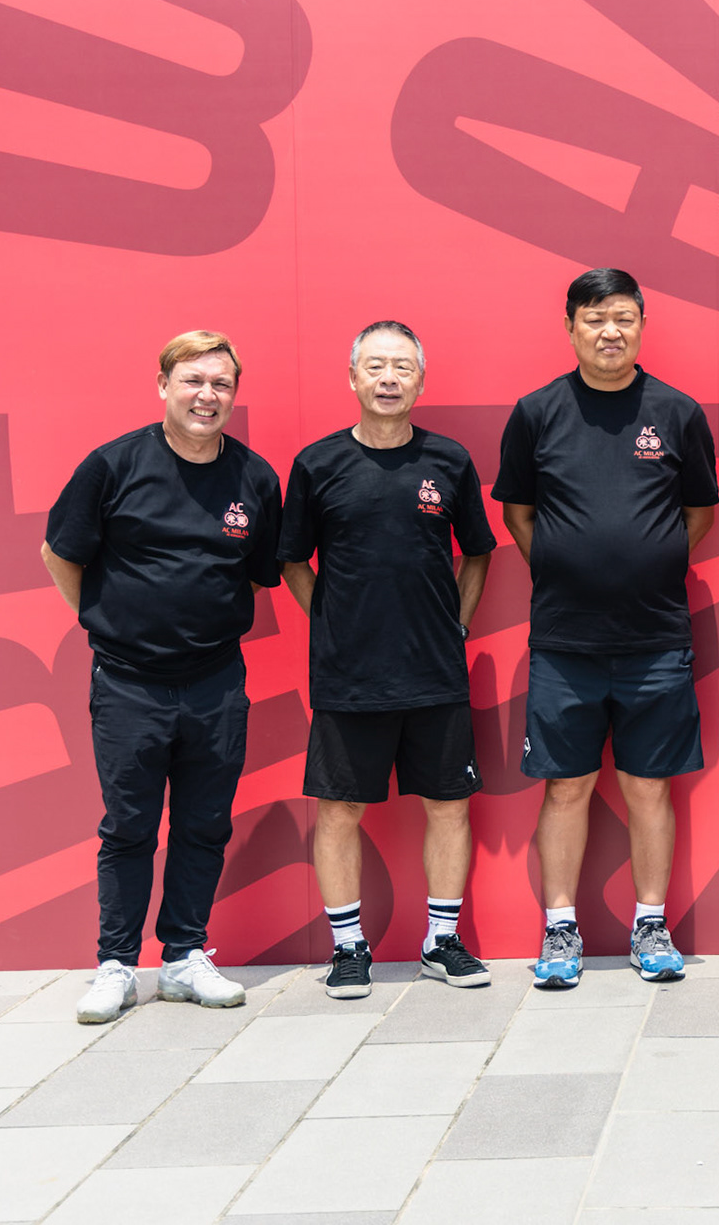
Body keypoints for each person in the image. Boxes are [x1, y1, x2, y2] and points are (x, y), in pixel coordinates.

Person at [43, 331, 281, 1024]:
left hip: (215, 682)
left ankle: (184, 958)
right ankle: (114, 965)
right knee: (129, 826)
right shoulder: (113, 466)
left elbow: (261, 571)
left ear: (233, 396)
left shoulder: (254, 478)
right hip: (128, 682)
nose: (207, 396)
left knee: (205, 824)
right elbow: (59, 554)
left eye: (221, 385)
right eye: (193, 381)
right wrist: (105, 620)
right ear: (163, 386)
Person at [493, 268, 719, 987]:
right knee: (566, 788)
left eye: (623, 317)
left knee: (651, 788)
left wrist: (642, 562)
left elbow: (698, 514)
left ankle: (650, 922)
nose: (610, 331)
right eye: (595, 318)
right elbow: (519, 515)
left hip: (656, 638)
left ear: (642, 324)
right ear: (570, 327)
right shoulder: (537, 413)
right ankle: (560, 930)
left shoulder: (678, 413)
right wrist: (567, 566)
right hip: (565, 641)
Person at [279, 321, 497, 998]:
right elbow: (291, 560)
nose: (388, 378)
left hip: (436, 675)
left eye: (402, 367)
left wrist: (453, 627)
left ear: (421, 381)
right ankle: (349, 947)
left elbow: (479, 551)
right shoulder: (317, 465)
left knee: (449, 807)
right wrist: (335, 622)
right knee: (341, 811)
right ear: (352, 378)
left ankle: (441, 941)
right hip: (349, 678)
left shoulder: (451, 461)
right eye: (375, 366)